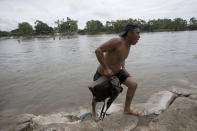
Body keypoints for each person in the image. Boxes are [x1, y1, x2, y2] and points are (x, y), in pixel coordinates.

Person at [92, 23, 141, 120]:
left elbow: (121, 57)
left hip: (117, 72)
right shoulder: (117, 41)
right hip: (103, 73)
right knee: (99, 96)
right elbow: (98, 51)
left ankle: (127, 109)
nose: (139, 36)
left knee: (133, 85)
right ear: (129, 33)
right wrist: (106, 68)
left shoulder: (129, 44)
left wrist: (123, 67)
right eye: (137, 33)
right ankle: (93, 111)